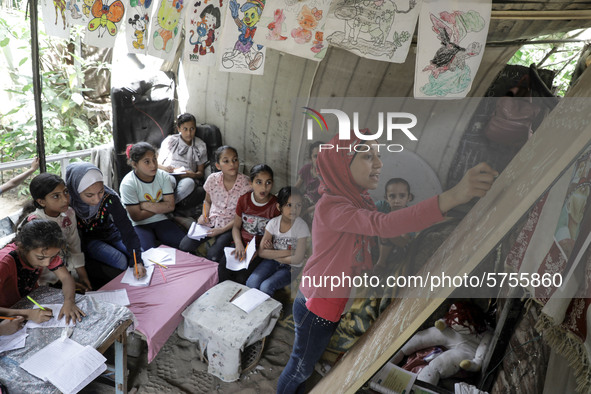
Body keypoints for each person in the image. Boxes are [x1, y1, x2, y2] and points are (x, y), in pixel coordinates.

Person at [276, 132, 498, 393]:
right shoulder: (334, 207)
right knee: (301, 364)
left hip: (329, 302)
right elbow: (384, 225)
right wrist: (454, 195)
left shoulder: (358, 199)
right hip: (317, 307)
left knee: (307, 361)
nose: (379, 164)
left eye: (378, 155)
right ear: (341, 164)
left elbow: (389, 222)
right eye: (368, 157)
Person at [66, 162, 146, 279]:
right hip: (89, 241)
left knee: (138, 254)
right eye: (89, 195)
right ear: (76, 192)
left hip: (110, 233)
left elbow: (126, 229)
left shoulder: (109, 197)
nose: (97, 199)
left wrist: (137, 261)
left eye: (101, 191)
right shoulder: (68, 205)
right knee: (120, 261)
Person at [0, 220, 85, 324]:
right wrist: (28, 314)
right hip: (7, 316)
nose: (46, 263)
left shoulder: (45, 252)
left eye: (53, 257)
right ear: (22, 247)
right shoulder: (4, 262)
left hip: (27, 303)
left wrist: (69, 301)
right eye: (41, 258)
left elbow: (66, 278)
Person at [18, 173, 91, 290]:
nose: (65, 199)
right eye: (56, 196)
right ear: (42, 202)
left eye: (66, 192)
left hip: (65, 273)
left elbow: (74, 245)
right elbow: (35, 260)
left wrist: (83, 276)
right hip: (42, 280)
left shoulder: (69, 213)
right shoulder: (35, 223)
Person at [179, 145, 251, 261]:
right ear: (218, 165)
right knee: (184, 246)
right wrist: (204, 215)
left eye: (235, 159)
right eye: (226, 161)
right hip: (211, 221)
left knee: (213, 255)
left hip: (230, 226)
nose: (232, 164)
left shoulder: (246, 184)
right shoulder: (212, 179)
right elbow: (207, 201)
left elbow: (243, 216)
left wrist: (221, 230)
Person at [218, 164, 280, 284]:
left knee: (242, 277)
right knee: (223, 269)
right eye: (259, 182)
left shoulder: (275, 206)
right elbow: (236, 227)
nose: (264, 187)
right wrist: (238, 244)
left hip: (258, 250)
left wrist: (257, 253)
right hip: (240, 245)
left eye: (268, 182)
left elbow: (274, 237)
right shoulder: (244, 200)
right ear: (251, 183)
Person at [120, 142, 186, 250]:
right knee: (147, 252)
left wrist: (144, 205)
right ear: (134, 164)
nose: (153, 165)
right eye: (147, 162)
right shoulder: (128, 183)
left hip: (160, 219)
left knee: (184, 245)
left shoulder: (163, 176)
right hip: (138, 224)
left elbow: (170, 207)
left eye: (154, 159)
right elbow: (136, 216)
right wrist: (160, 206)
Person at [246, 186, 309, 297]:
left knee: (266, 286)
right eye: (289, 205)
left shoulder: (301, 226)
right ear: (279, 206)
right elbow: (262, 252)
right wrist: (289, 252)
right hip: (272, 262)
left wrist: (272, 253)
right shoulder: (273, 223)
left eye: (298, 205)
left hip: (291, 267)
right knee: (251, 282)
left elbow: (298, 258)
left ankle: (269, 312)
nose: (294, 209)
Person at [158, 113, 207, 212]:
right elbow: (157, 165)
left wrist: (192, 175)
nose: (189, 133)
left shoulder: (200, 145)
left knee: (188, 184)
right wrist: (166, 168)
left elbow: (200, 173)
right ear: (179, 129)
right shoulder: (170, 141)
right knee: (169, 182)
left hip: (187, 176)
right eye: (185, 129)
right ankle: (162, 206)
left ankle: (167, 208)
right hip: (169, 173)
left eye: (192, 129)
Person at [374, 178, 415, 270]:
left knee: (385, 228)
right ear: (386, 198)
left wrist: (389, 233)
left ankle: (381, 264)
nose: (397, 201)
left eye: (402, 196)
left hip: (398, 251)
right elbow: (365, 214)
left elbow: (403, 242)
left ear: (409, 198)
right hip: (377, 246)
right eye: (392, 196)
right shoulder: (382, 206)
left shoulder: (409, 217)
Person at [294, 141, 323, 220]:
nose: (319, 159)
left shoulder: (326, 175)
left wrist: (305, 212)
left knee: (314, 218)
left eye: (322, 156)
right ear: (310, 159)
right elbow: (296, 187)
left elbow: (323, 201)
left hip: (318, 205)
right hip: (306, 199)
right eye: (316, 156)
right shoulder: (307, 169)